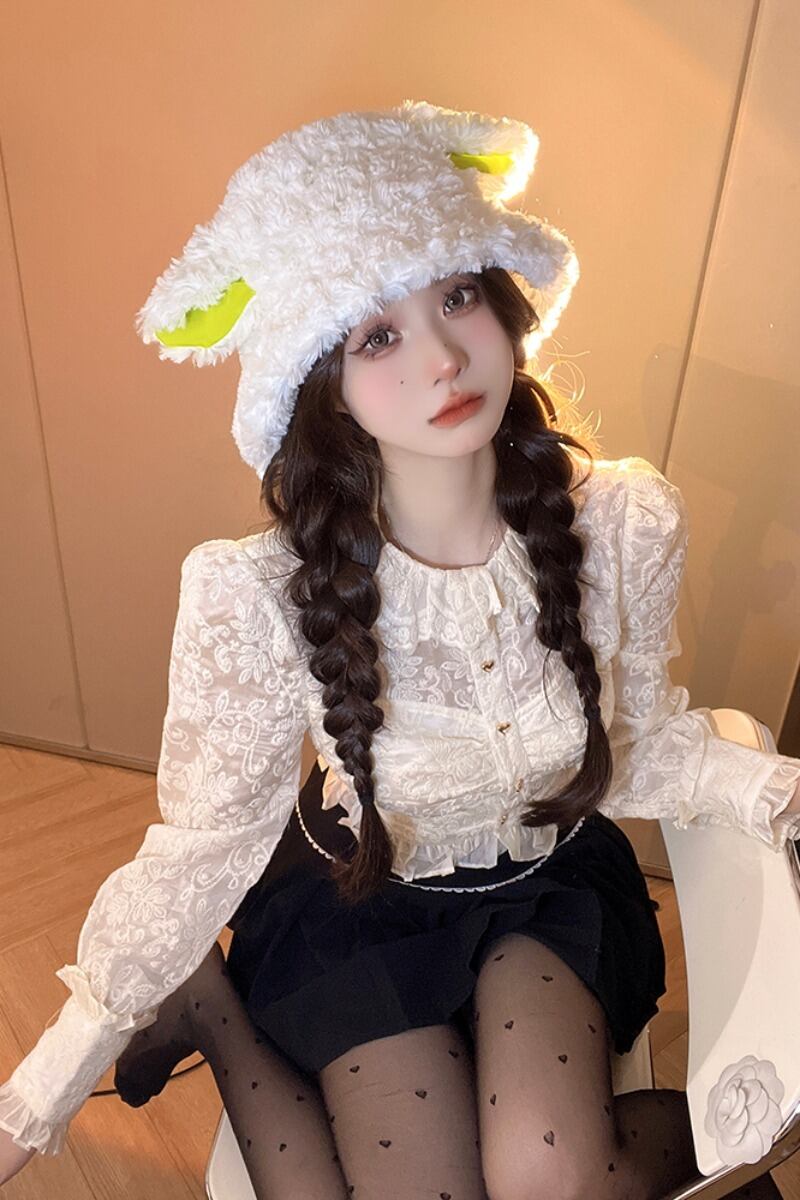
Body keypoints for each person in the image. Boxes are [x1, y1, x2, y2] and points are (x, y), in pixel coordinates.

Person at [1, 99, 798, 1200]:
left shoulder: (620, 522)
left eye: (457, 295)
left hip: (546, 884)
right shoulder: (256, 593)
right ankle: (205, 1002)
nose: (442, 357)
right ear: (319, 382)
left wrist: (774, 793)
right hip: (359, 900)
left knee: (549, 1178)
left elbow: (636, 741)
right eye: (376, 336)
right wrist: (39, 1094)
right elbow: (201, 848)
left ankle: (740, 1145)